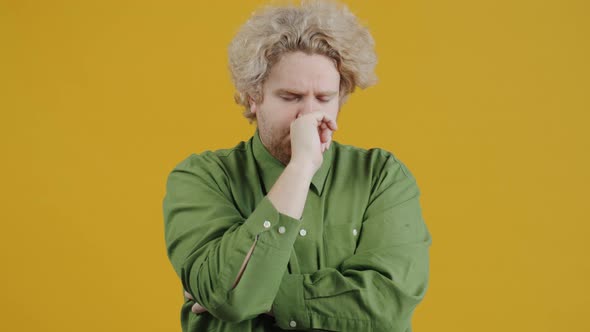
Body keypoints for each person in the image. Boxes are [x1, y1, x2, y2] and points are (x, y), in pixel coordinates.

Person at [162, 1, 432, 331]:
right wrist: (301, 167)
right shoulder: (202, 178)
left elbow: (388, 303)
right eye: (290, 97)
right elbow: (229, 295)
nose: (308, 116)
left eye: (323, 98)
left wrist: (255, 295)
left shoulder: (381, 176)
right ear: (253, 95)